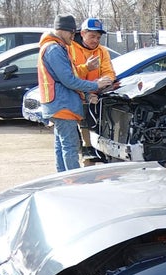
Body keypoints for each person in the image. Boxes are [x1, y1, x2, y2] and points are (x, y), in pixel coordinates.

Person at [37, 14, 113, 171]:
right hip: (63, 106)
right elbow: (69, 80)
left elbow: (69, 76)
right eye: (72, 33)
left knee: (61, 146)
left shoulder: (55, 47)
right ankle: (72, 183)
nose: (73, 37)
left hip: (59, 105)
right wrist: (95, 85)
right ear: (63, 31)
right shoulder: (54, 49)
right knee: (70, 147)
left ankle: (62, 179)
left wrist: (87, 92)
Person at [69, 17, 117, 164]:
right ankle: (87, 164)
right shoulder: (70, 49)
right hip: (77, 99)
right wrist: (88, 88)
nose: (95, 40)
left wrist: (102, 82)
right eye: (92, 36)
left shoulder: (102, 51)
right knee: (84, 139)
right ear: (82, 33)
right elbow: (70, 77)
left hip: (96, 99)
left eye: (98, 37)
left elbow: (109, 72)